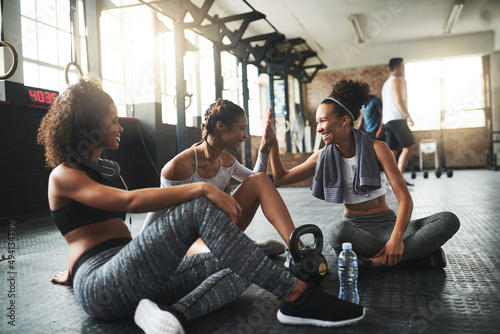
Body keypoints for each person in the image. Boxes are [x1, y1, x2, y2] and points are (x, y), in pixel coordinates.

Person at [37, 77, 364, 333]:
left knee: (242, 263)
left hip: (135, 274)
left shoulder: (101, 171)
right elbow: (130, 201)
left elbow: (86, 231)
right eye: (111, 121)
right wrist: (201, 191)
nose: (120, 127)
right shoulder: (63, 175)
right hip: (101, 285)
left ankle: (175, 315)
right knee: (196, 204)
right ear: (88, 126)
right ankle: (296, 296)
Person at [267, 78, 460, 270]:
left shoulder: (378, 149)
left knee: (448, 220)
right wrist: (273, 145)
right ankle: (412, 257)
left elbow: (404, 199)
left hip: (388, 226)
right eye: (317, 122)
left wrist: (396, 238)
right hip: (355, 231)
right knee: (336, 231)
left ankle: (372, 264)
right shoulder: (321, 157)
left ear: (344, 121)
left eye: (323, 121)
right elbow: (281, 178)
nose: (319, 128)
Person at [141, 99, 300, 257]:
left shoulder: (227, 161)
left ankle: (298, 249)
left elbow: (259, 183)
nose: (245, 135)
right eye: (242, 129)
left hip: (216, 231)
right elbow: (157, 211)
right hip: (187, 242)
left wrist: (264, 149)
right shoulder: (179, 166)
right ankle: (242, 248)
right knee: (218, 257)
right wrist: (138, 251)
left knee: (260, 180)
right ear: (220, 126)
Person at [381, 57, 415, 186]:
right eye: (402, 67)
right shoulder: (397, 81)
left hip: (388, 121)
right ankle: (398, 179)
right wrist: (409, 116)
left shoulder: (386, 84)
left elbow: (386, 104)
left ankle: (388, 178)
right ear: (396, 68)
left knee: (393, 151)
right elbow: (400, 101)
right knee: (408, 147)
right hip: (397, 119)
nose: (403, 70)